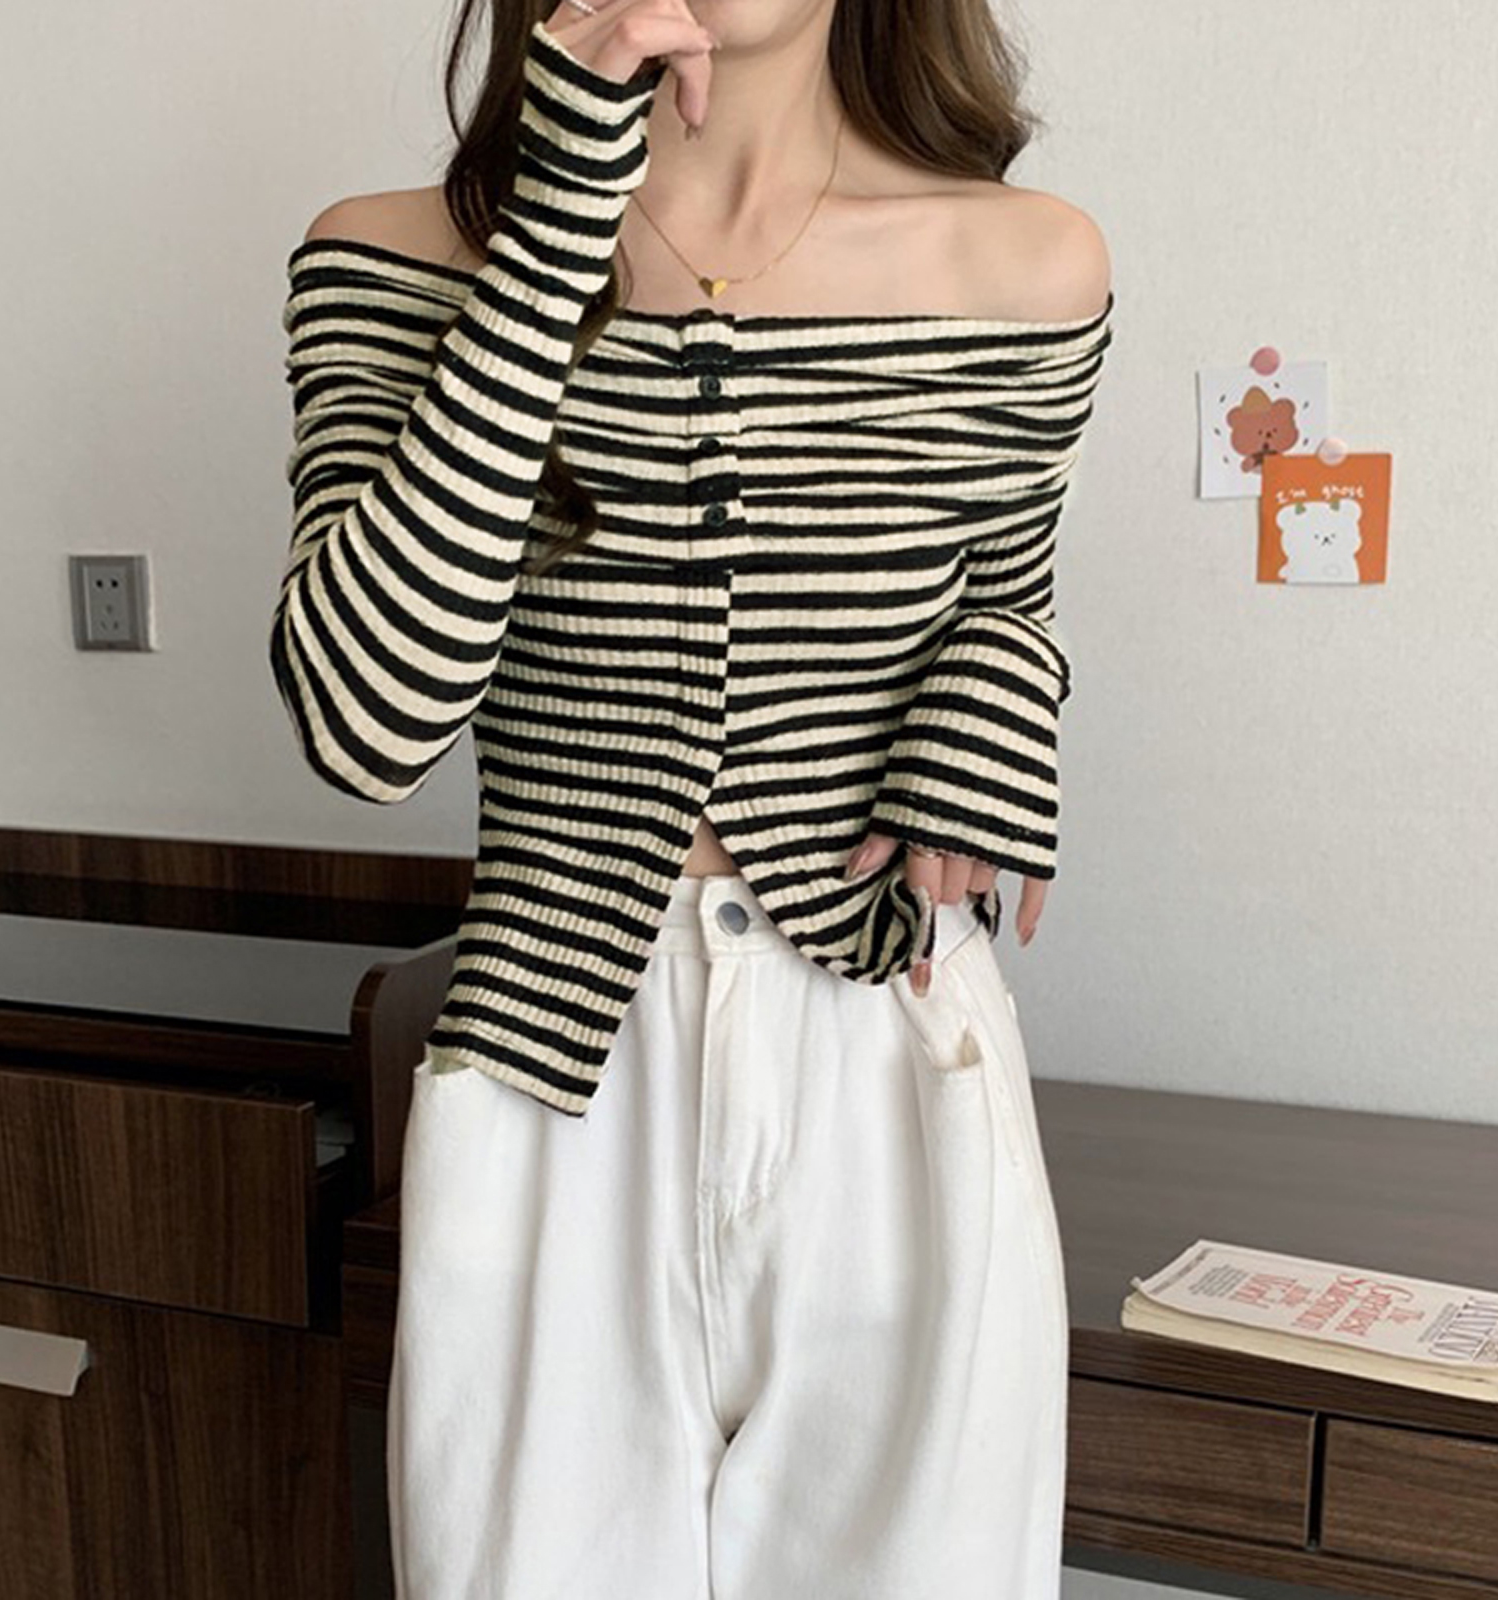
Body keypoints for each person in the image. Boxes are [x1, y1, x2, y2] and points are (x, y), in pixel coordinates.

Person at [271, 1, 1112, 1594]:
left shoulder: (1025, 265)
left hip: (887, 1043)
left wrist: (1000, 697)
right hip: (548, 1069)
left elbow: (1009, 599)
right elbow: (367, 722)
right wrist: (554, 223)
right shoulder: (388, 256)